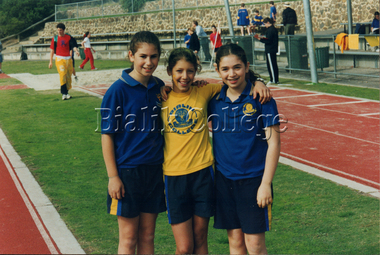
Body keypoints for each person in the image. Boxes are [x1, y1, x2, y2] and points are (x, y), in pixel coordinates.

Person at [160, 48, 271, 254]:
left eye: (190, 71)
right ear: (169, 71)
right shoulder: (160, 98)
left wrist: (258, 81)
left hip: (204, 174)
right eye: (179, 71)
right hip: (175, 176)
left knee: (202, 238)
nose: (185, 76)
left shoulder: (206, 92)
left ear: (197, 71)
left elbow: (236, 79)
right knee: (185, 247)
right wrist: (161, 88)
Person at [209, 43, 281, 255]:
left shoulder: (262, 99)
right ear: (217, 70)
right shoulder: (214, 99)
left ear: (247, 66)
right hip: (224, 180)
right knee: (235, 243)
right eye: (225, 69)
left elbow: (274, 143)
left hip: (254, 181)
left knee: (255, 245)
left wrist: (265, 184)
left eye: (237, 67)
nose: (232, 74)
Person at [100, 31, 167, 254]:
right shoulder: (117, 91)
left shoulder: (159, 87)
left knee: (148, 236)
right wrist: (113, 177)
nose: (149, 62)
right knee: (128, 240)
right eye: (143, 56)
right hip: (128, 174)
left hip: (155, 171)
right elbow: (107, 136)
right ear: (131, 56)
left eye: (154, 56)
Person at [48, 23, 80, 100]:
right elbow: (52, 50)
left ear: (63, 30)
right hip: (59, 58)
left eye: (61, 30)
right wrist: (50, 61)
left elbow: (74, 45)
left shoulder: (69, 37)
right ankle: (63, 93)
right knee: (62, 74)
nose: (59, 32)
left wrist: (76, 51)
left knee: (68, 76)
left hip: (68, 59)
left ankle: (66, 92)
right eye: (58, 30)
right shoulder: (55, 38)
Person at [256, 18, 279, 84]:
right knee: (273, 64)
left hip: (270, 49)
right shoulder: (273, 29)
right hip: (273, 49)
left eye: (265, 23)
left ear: (268, 22)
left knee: (271, 65)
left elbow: (269, 40)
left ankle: (274, 79)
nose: (265, 25)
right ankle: (274, 79)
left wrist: (260, 39)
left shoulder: (271, 30)